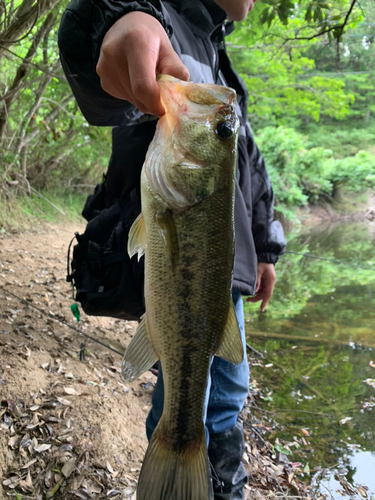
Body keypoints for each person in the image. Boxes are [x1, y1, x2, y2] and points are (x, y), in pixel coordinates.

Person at [58, 1, 286, 498]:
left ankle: (222, 487)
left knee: (228, 393)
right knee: (182, 391)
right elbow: (91, 44)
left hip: (232, 269)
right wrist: (120, 19)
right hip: (184, 262)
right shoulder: (160, 13)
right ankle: (173, 470)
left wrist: (267, 245)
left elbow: (245, 157)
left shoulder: (216, 50)